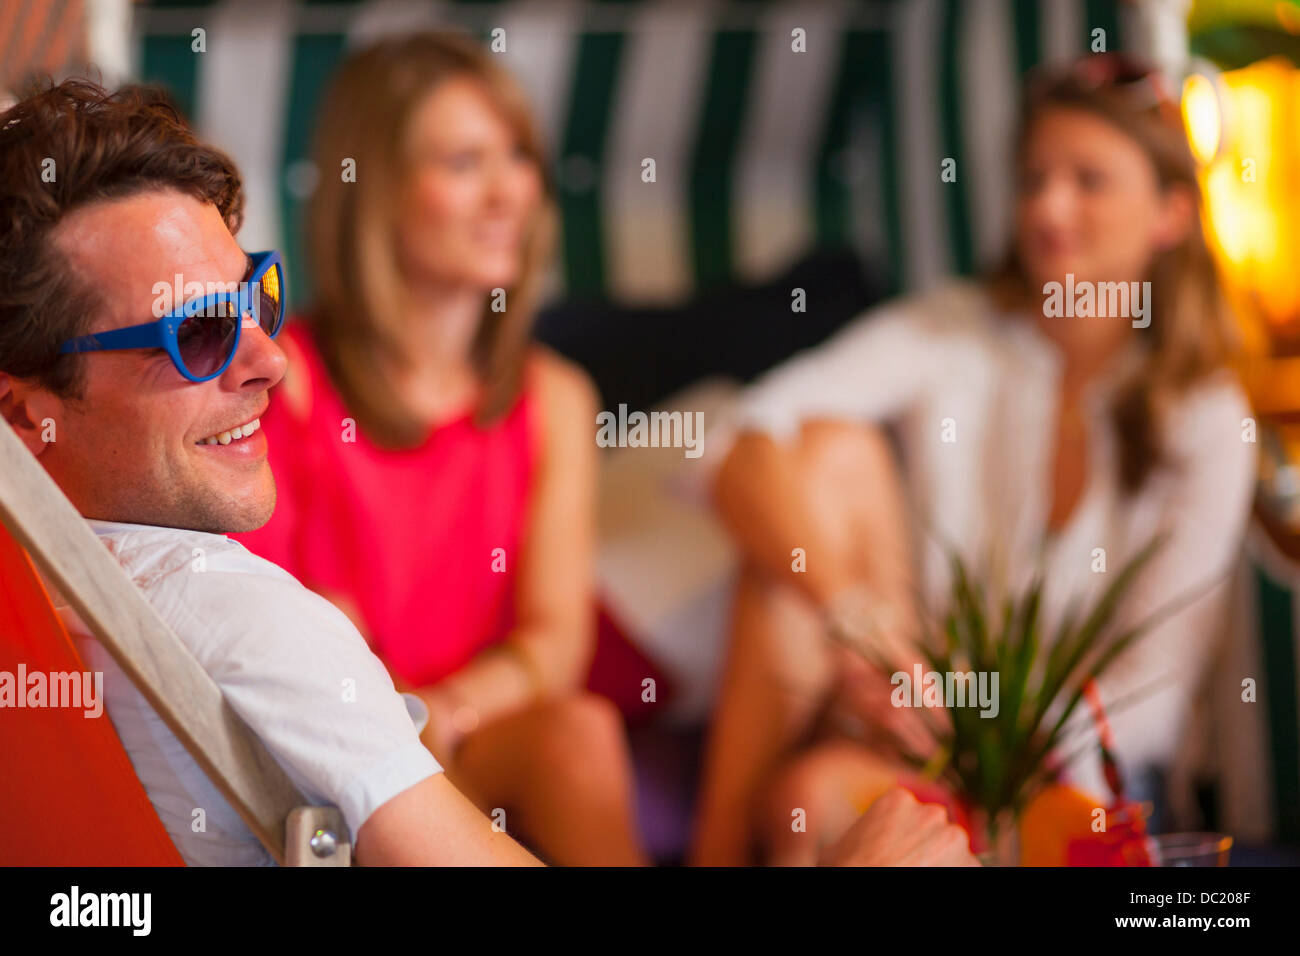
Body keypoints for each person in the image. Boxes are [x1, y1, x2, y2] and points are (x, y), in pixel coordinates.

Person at [0, 77, 978, 867]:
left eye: (257, 298)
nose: (270, 358)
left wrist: (440, 708)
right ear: (22, 411)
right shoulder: (247, 623)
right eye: (197, 333)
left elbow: (550, 640)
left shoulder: (42, 604)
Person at [692, 54, 1257, 865]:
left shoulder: (1205, 417)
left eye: (1088, 180)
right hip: (912, 726)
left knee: (819, 797)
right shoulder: (952, 331)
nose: (1049, 209)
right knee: (821, 458)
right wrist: (860, 623)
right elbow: (741, 440)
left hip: (1072, 782)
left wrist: (971, 717)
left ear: (1169, 214)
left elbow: (1154, 700)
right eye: (1033, 180)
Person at [230, 32, 642, 865]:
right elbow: (266, 630)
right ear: (374, 191)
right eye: (462, 162)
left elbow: (555, 643)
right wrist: (394, 721)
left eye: (518, 155)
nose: (508, 193)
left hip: (469, 729)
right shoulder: (284, 380)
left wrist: (444, 710)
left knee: (581, 732)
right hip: (329, 749)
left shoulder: (555, 398)